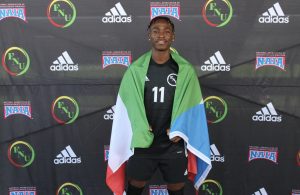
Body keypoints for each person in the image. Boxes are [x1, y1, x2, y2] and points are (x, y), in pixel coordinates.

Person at [106, 16, 211, 195]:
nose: (161, 35)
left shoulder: (184, 70)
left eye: (166, 31)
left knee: (177, 189)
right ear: (149, 36)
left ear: (173, 37)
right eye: (156, 31)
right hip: (144, 142)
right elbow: (126, 106)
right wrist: (139, 126)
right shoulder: (135, 70)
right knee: (135, 187)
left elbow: (193, 107)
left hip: (173, 144)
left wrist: (181, 127)